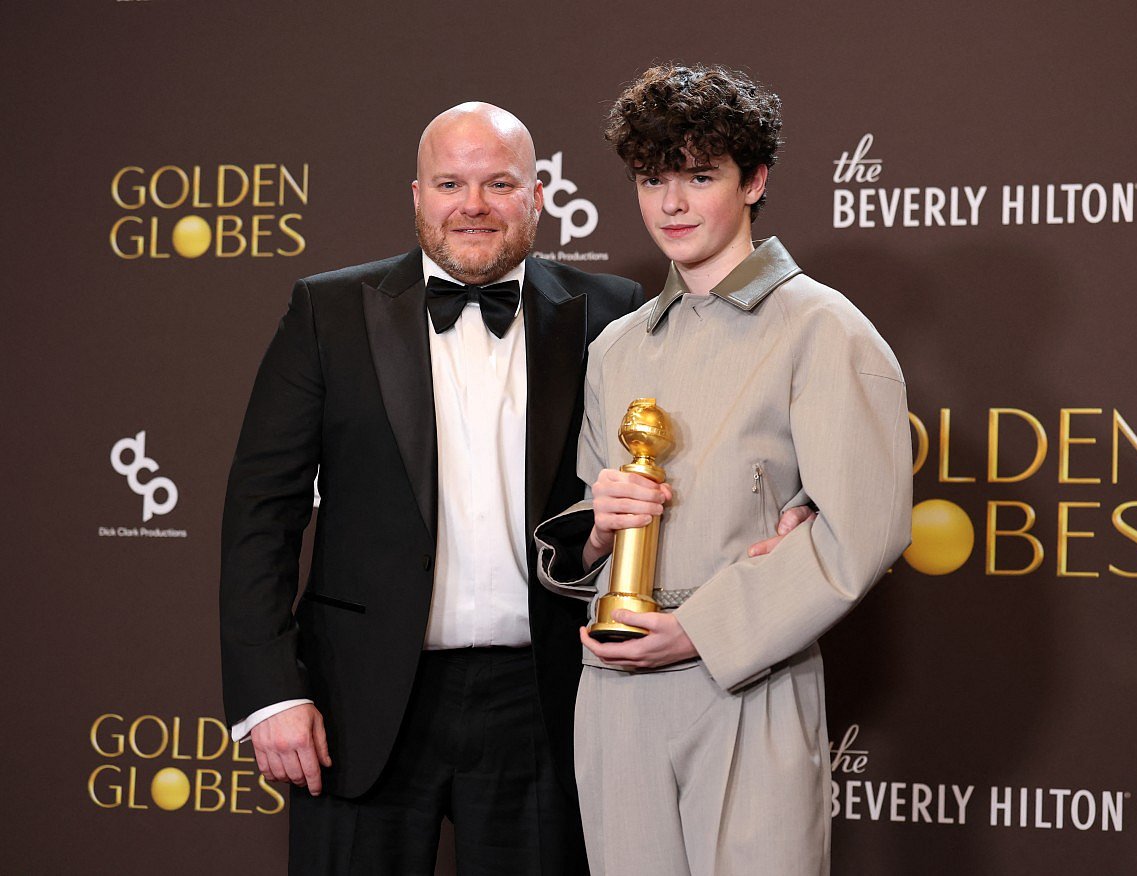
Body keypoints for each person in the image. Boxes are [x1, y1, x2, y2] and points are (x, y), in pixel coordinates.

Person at [218, 102, 646, 874]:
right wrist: (272, 693)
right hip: (362, 698)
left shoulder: (611, 312)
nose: (472, 205)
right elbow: (260, 511)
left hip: (546, 701)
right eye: (450, 182)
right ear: (417, 195)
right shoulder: (329, 310)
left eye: (498, 183)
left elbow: (671, 464)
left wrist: (794, 501)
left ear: (538, 195)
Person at [534, 64, 913, 875]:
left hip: (745, 680)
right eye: (652, 178)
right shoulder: (617, 347)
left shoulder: (825, 330)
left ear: (755, 180)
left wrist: (700, 633)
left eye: (699, 176)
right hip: (614, 688)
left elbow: (864, 530)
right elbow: (598, 518)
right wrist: (594, 534)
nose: (671, 203)